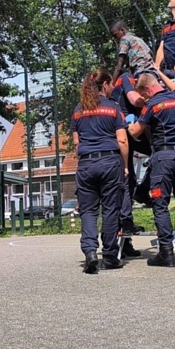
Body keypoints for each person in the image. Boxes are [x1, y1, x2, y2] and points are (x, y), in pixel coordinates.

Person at [128, 70, 175, 267]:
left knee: (160, 204)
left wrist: (128, 122)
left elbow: (135, 132)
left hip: (162, 159)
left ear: (147, 89)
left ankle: (166, 253)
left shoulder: (151, 105)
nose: (144, 98)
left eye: (143, 94)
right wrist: (159, 71)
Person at [71, 69, 129, 274]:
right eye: (111, 84)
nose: (112, 88)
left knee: (88, 210)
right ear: (104, 85)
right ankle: (110, 256)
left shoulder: (78, 110)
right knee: (111, 209)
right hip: (110, 161)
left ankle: (90, 251)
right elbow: (122, 140)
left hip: (86, 164)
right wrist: (125, 165)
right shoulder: (114, 108)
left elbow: (77, 144)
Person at [110, 70, 151, 258]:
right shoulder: (127, 79)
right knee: (126, 182)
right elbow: (135, 100)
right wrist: (152, 100)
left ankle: (125, 242)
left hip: (129, 131)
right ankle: (124, 226)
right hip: (122, 134)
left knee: (159, 157)